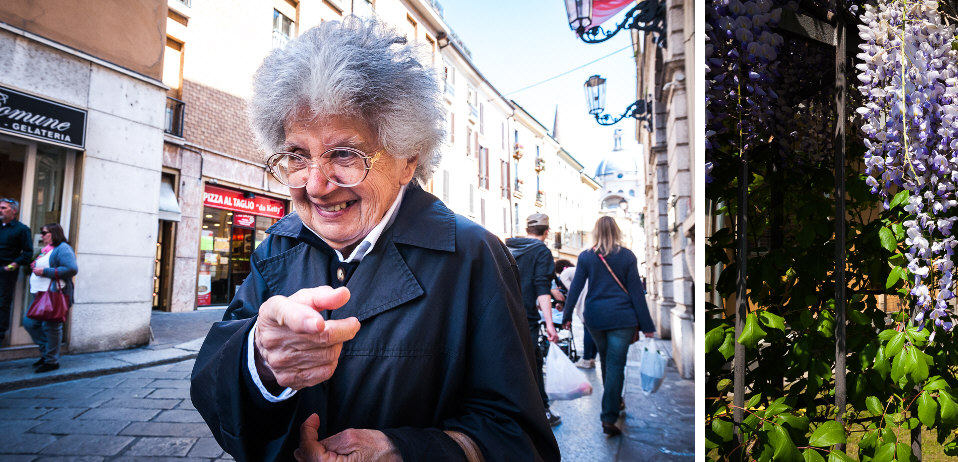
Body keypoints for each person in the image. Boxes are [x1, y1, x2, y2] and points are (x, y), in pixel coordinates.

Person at [189, 17, 558, 462]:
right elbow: (214, 396)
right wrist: (262, 363)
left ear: (407, 160)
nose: (316, 184)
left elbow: (521, 440)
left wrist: (405, 452)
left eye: (344, 153)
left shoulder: (472, 254)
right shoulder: (278, 247)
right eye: (296, 156)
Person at [561, 216, 655, 436]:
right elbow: (636, 292)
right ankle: (609, 415)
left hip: (595, 317)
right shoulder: (627, 256)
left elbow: (575, 288)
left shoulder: (586, 257)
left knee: (607, 362)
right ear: (616, 231)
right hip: (622, 318)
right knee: (615, 365)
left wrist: (567, 315)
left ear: (595, 232)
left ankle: (614, 402)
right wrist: (647, 325)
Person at [505, 212, 561, 427]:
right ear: (547, 232)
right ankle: (542, 412)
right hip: (525, 318)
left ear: (527, 230)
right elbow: (542, 289)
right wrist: (549, 325)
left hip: (503, 314)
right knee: (532, 364)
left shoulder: (508, 246)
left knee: (514, 363)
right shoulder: (541, 251)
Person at [23, 223, 75, 373]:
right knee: (30, 323)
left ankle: (51, 361)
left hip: (54, 294)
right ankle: (47, 354)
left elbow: (71, 268)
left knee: (51, 327)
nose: (42, 235)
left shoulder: (63, 248)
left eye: (44, 232)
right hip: (40, 294)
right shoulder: (46, 250)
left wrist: (45, 271)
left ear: (54, 233)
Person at [0, 198, 33, 343]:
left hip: (6, 271)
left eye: (3, 208)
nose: (0, 210)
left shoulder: (22, 229)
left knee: (2, 303)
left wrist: (11, 266)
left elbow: (27, 253)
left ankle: (0, 335)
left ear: (14, 211)